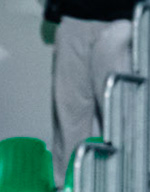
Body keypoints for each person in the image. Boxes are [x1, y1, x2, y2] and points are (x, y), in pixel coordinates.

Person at [49, 0, 134, 171]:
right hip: (73, 17)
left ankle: (125, 186)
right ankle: (68, 190)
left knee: (119, 116)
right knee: (70, 113)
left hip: (119, 19)